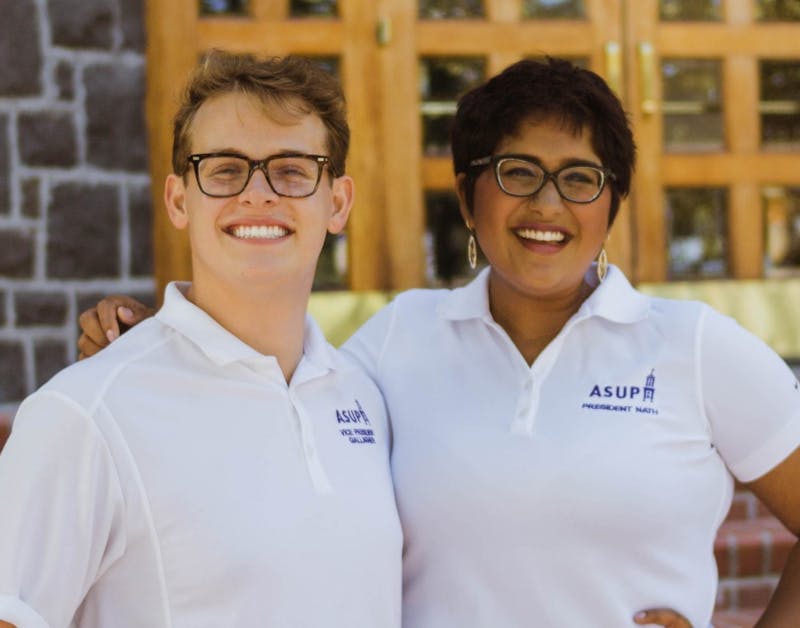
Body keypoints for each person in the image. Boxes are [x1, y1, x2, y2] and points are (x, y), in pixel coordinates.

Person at [77, 58, 791, 627]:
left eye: (580, 179)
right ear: (468, 195)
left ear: (613, 203)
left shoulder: (695, 348)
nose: (547, 204)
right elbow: (269, 391)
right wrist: (158, 341)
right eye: (518, 173)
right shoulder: (399, 339)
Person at [0, 51, 402, 627]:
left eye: (292, 169)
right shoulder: (85, 413)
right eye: (225, 169)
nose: (258, 194)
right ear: (178, 200)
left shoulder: (364, 397)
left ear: (336, 204)